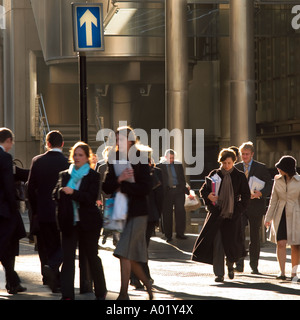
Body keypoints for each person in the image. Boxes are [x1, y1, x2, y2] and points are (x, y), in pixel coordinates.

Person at [102, 125, 153, 300]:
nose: (117, 143)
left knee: (123, 252)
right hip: (120, 212)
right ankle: (148, 287)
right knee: (129, 256)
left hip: (138, 212)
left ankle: (123, 294)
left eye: (121, 139)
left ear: (131, 141)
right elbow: (106, 186)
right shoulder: (113, 157)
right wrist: (119, 179)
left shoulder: (141, 157)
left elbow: (146, 187)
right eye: (116, 140)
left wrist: (125, 184)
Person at [53, 141, 107, 300]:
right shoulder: (64, 174)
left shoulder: (93, 175)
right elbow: (55, 192)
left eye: (80, 155)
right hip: (69, 222)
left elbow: (90, 198)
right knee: (68, 259)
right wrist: (59, 193)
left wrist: (73, 193)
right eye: (75, 155)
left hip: (89, 223)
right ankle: (67, 295)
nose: (77, 157)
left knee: (92, 256)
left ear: (87, 157)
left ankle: (101, 291)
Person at [192, 148, 250, 282]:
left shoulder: (239, 175)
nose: (226, 166)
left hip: (232, 215)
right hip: (217, 214)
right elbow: (203, 189)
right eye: (224, 163)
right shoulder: (215, 173)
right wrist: (208, 196)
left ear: (234, 162)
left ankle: (230, 265)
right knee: (217, 243)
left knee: (230, 243)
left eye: (229, 163)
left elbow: (246, 196)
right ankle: (219, 273)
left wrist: (238, 210)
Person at [28, 130, 69, 292]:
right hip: (61, 212)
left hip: (43, 210)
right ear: (63, 144)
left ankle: (47, 275)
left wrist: (35, 209)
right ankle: (55, 275)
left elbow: (30, 189)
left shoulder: (37, 161)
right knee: (61, 245)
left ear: (48, 143)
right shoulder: (67, 163)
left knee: (45, 244)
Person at [235, 141, 272, 274]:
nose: (244, 156)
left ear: (252, 154)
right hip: (240, 207)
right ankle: (239, 264)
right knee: (238, 234)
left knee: (254, 237)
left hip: (256, 206)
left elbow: (269, 184)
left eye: (247, 154)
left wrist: (260, 193)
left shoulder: (261, 167)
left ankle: (254, 266)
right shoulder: (236, 167)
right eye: (242, 154)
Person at [264, 156, 300, 281]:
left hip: (296, 216)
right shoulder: (277, 180)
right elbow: (273, 200)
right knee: (281, 243)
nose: (278, 169)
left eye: (281, 167)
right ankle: (282, 272)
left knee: (296, 245)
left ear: (287, 168)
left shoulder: (299, 181)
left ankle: (294, 274)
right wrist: (268, 218)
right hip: (280, 215)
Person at [0, 128, 27, 294]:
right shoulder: (5, 157)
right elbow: (8, 185)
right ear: (8, 140)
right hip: (4, 210)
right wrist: (14, 206)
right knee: (6, 244)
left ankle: (13, 282)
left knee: (7, 245)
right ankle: (13, 280)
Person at [157, 149, 189, 242]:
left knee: (180, 212)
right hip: (166, 192)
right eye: (170, 158)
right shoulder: (160, 166)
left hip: (178, 190)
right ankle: (168, 235)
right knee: (167, 214)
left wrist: (185, 187)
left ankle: (180, 233)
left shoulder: (178, 165)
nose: (171, 160)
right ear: (165, 157)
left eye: (173, 158)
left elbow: (182, 178)